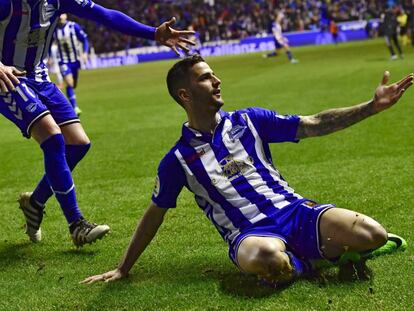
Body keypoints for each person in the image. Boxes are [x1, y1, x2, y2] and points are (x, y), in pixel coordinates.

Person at [81, 55, 412, 285]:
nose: (217, 80)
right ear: (185, 94)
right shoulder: (178, 160)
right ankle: (317, 259)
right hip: (251, 236)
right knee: (270, 259)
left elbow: (314, 124)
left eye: (213, 74)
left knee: (374, 234)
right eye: (205, 78)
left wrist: (371, 107)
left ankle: (313, 257)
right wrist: (124, 268)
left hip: (296, 212)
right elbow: (154, 213)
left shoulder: (250, 121)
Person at [0, 0, 194, 247]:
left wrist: (153, 33)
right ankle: (76, 224)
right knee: (52, 137)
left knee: (79, 143)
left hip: (39, 77)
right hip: (8, 79)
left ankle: (35, 203)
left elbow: (105, 15)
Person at [53, 14, 89, 116]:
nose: (60, 16)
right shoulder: (54, 29)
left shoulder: (74, 26)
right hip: (63, 61)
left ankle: (73, 104)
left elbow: (85, 39)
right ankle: (75, 107)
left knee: (73, 84)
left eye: (62, 14)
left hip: (75, 61)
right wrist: (50, 57)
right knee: (69, 83)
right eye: (58, 14)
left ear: (66, 15)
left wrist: (85, 52)